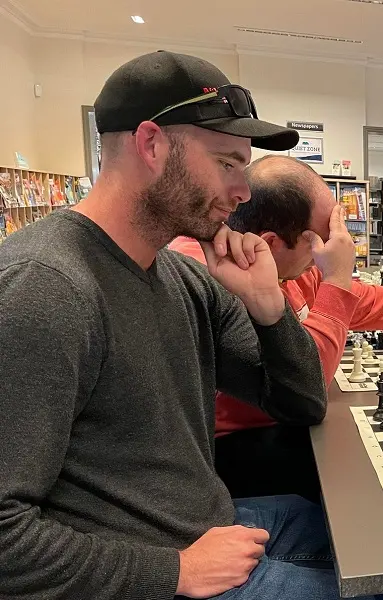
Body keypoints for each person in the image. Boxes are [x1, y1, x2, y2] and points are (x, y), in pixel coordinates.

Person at [0, 50, 358, 600]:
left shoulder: (181, 276)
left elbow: (303, 402)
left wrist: (268, 305)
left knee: (365, 535)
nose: (244, 192)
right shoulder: (47, 286)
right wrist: (173, 572)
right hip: (159, 567)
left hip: (207, 523)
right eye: (228, 163)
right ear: (150, 144)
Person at [170, 155, 383, 500]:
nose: (329, 250)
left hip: (279, 427)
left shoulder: (282, 262)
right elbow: (308, 387)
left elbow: (358, 301)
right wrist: (337, 276)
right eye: (323, 239)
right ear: (274, 242)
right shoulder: (212, 278)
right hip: (231, 456)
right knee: (368, 489)